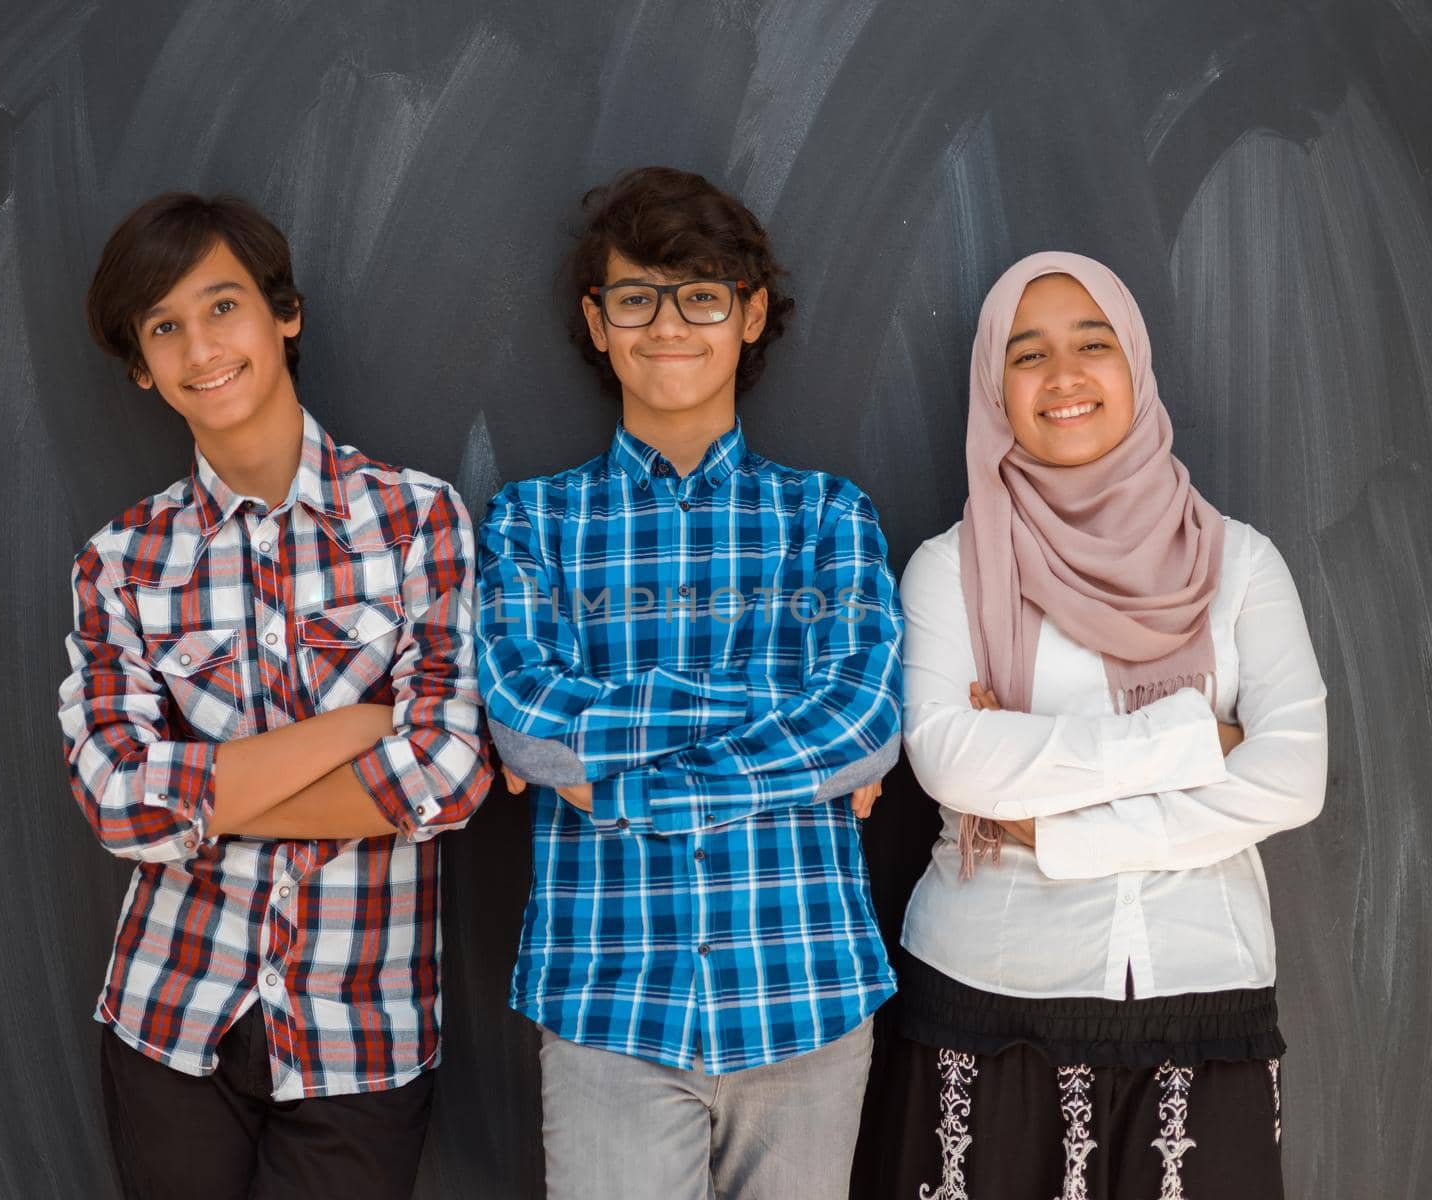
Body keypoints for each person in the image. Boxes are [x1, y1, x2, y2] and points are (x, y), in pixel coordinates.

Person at [476, 165, 905, 1200]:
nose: (668, 325)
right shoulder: (533, 522)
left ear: (749, 315)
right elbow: (529, 720)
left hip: (801, 992)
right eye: (636, 298)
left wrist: (623, 781)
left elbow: (859, 722)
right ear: (598, 320)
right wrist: (764, 717)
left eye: (701, 295)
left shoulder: (827, 516)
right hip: (607, 1003)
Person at [57, 192, 491, 1199]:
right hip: (170, 1018)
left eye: (222, 307)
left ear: (282, 313)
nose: (200, 347)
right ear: (140, 364)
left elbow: (450, 773)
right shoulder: (121, 562)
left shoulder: (415, 520)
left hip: (361, 1028)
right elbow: (117, 806)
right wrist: (354, 725)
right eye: (163, 328)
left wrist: (205, 807)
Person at [889, 251, 1327, 1198]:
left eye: (1093, 344)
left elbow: (1293, 775)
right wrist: (1188, 744)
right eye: (1027, 354)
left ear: (1135, 361)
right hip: (986, 996)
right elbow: (952, 758)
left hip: (1205, 995)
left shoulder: (1240, 565)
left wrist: (1056, 833)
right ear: (994, 388)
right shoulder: (950, 569)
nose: (1064, 376)